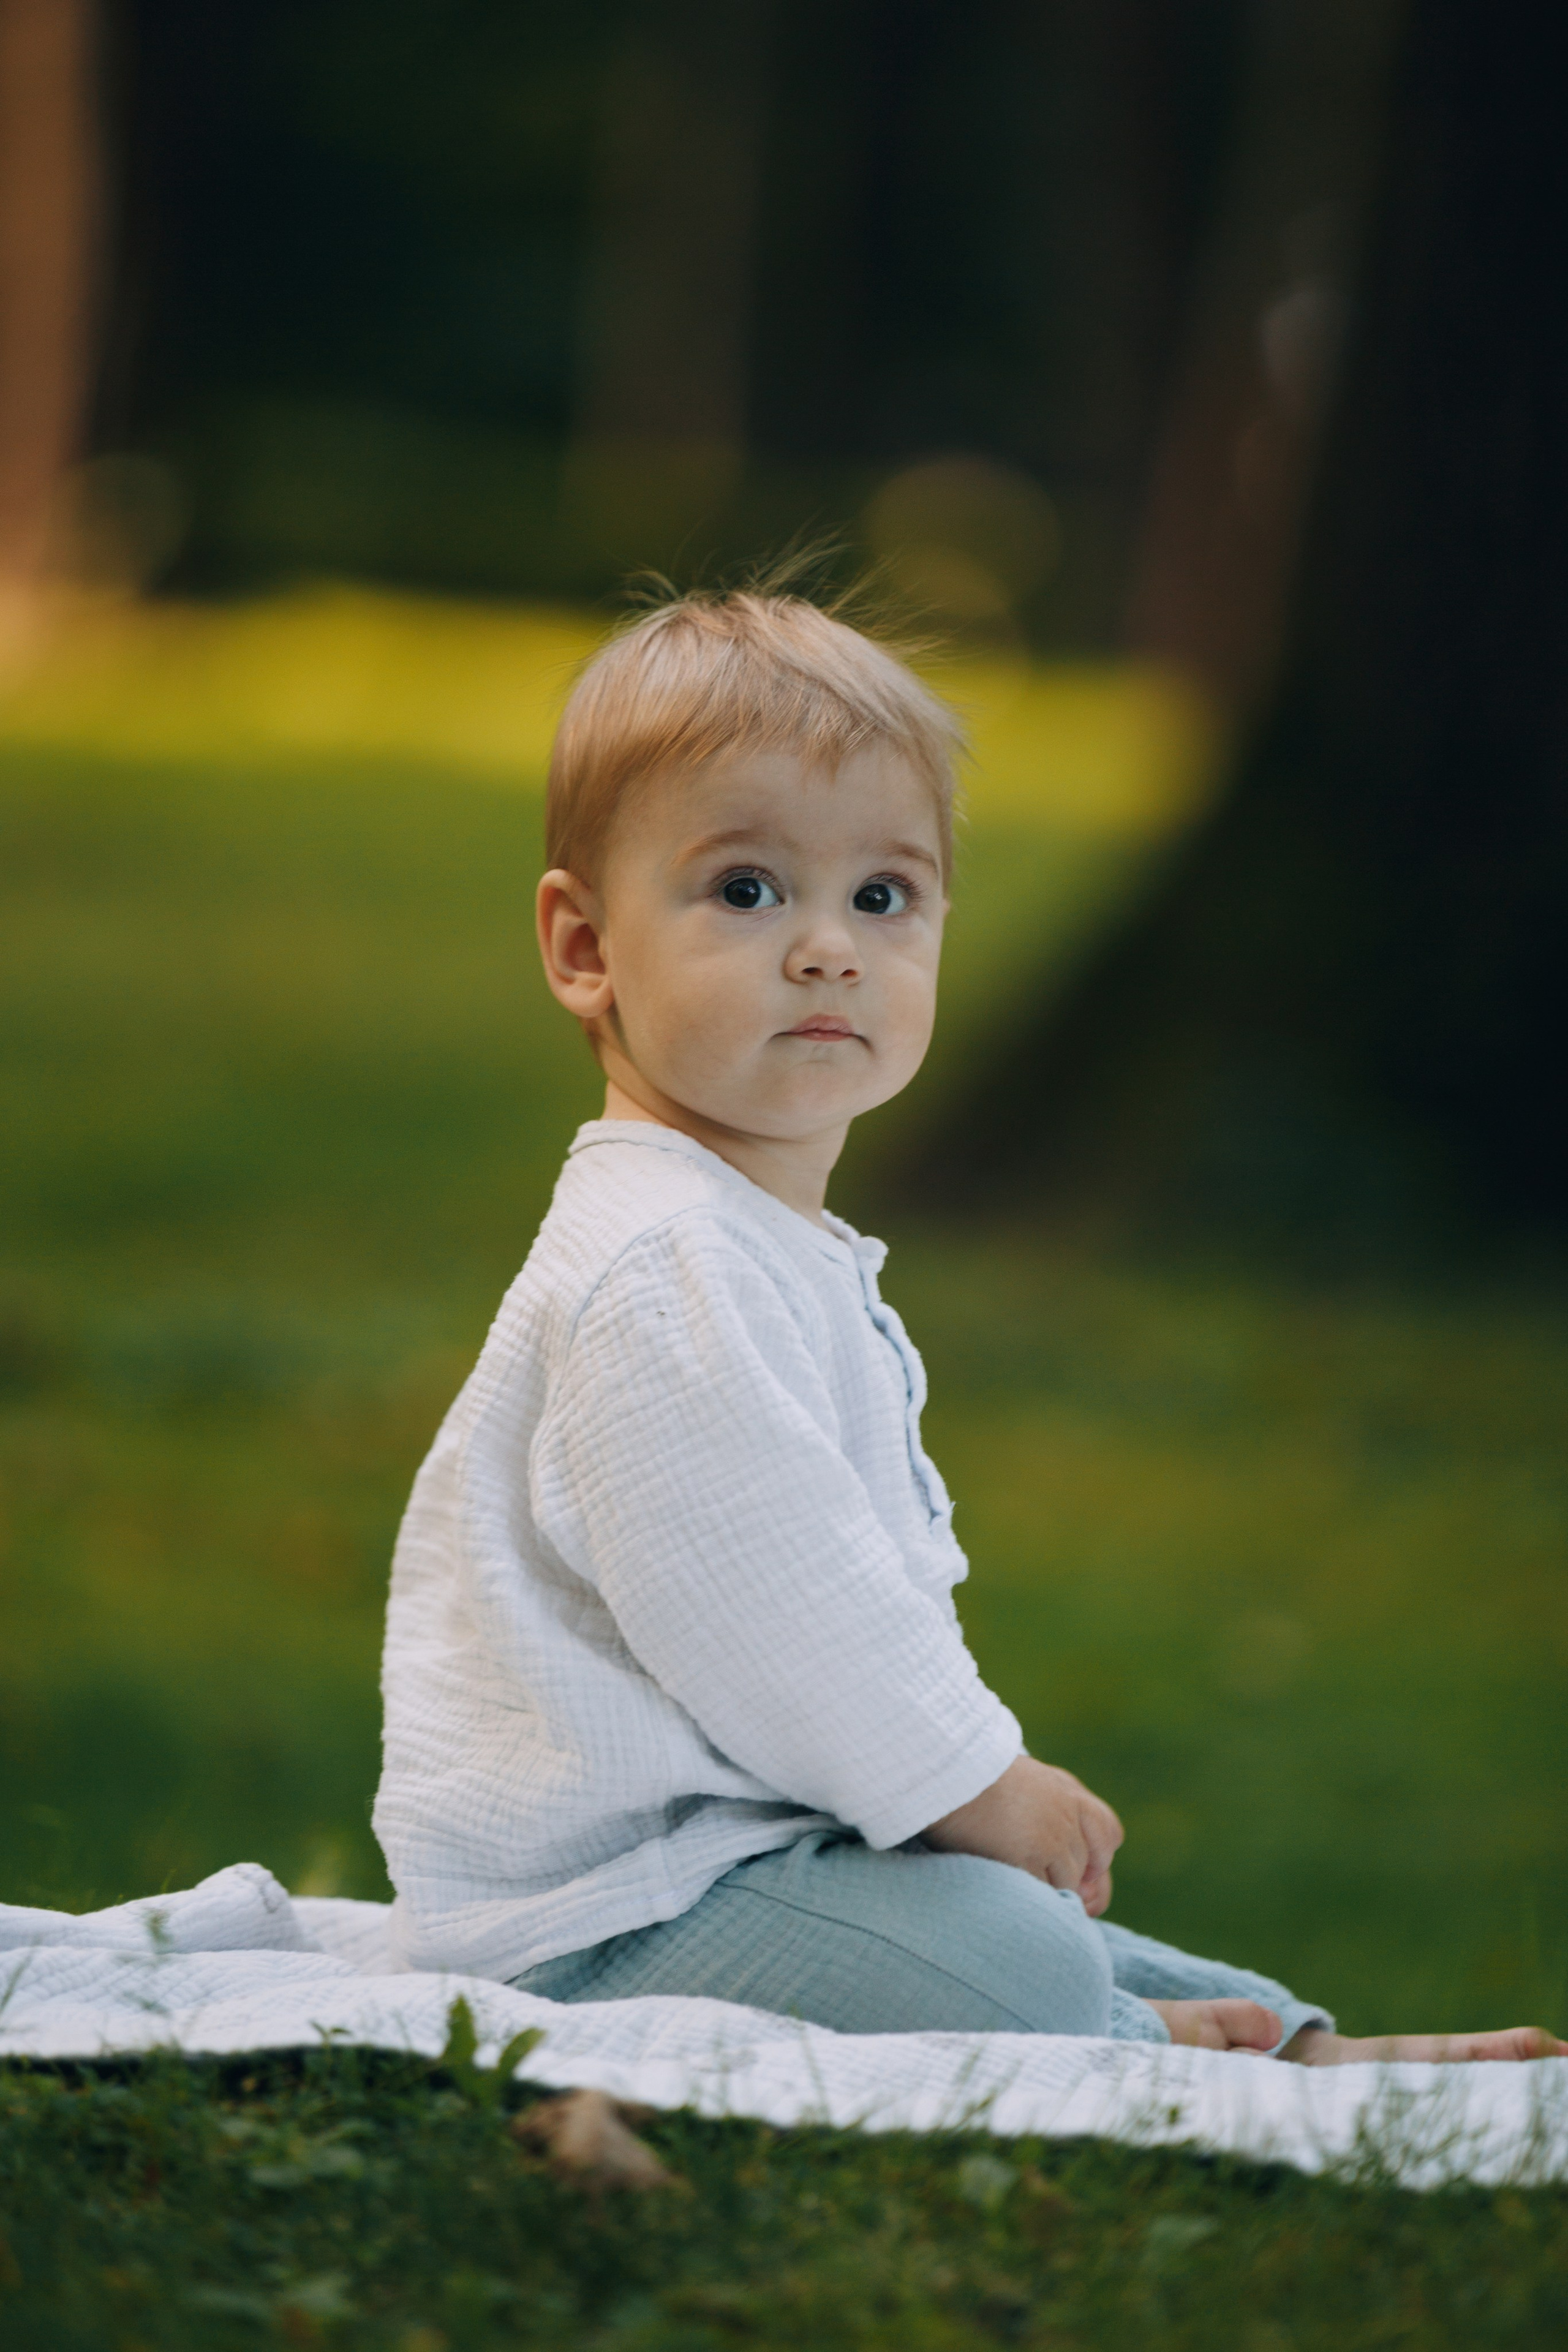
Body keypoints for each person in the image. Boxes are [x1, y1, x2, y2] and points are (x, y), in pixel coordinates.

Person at [374, 589, 1564, 2064]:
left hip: (755, 1856)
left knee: (1014, 1925)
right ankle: (1129, 2041)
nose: (825, 949)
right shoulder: (663, 1264)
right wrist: (974, 1784)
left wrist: (962, 1819)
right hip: (612, 1914)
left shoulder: (757, 1243)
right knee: (1009, 1945)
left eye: (880, 897)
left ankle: (1285, 2042)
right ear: (583, 946)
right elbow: (777, 1613)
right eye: (744, 890)